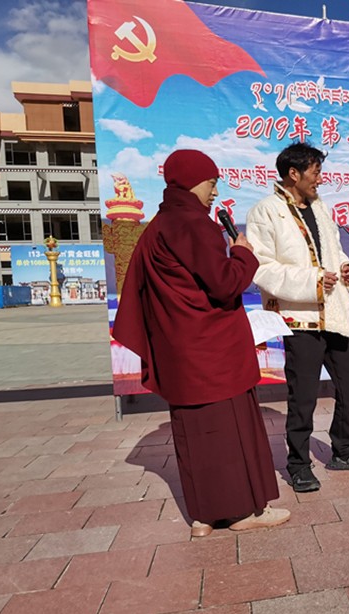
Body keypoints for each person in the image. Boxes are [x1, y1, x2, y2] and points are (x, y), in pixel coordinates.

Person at [113, 149, 290, 537]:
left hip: (179, 353)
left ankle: (204, 517)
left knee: (194, 436)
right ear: (192, 181)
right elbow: (225, 283)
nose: (214, 192)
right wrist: (242, 254)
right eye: (211, 183)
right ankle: (243, 513)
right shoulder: (194, 224)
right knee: (231, 431)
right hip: (214, 353)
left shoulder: (157, 228)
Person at [246, 142, 349, 493]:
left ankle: (344, 450)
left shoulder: (320, 208)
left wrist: (347, 268)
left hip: (334, 313)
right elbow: (262, 268)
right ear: (294, 174)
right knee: (303, 397)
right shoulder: (266, 211)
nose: (320, 179)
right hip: (299, 319)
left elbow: (334, 253)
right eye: (315, 172)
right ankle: (299, 464)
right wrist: (313, 281)